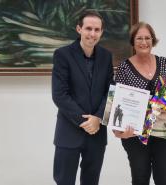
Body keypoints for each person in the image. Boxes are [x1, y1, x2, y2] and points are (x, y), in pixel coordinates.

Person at [114, 22, 166, 185]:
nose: (143, 42)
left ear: (153, 40)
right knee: (140, 178)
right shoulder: (124, 68)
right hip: (135, 136)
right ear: (133, 41)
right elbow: (117, 101)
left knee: (165, 179)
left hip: (165, 133)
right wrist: (119, 131)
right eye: (139, 38)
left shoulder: (165, 64)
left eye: (147, 38)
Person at [51, 10, 113, 185]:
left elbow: (110, 91)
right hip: (69, 132)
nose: (92, 34)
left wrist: (98, 118)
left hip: (97, 134)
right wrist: (85, 121)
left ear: (101, 32)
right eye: (88, 28)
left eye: (97, 29)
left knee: (91, 181)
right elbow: (59, 94)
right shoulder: (62, 55)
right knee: (64, 181)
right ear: (79, 29)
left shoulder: (106, 56)